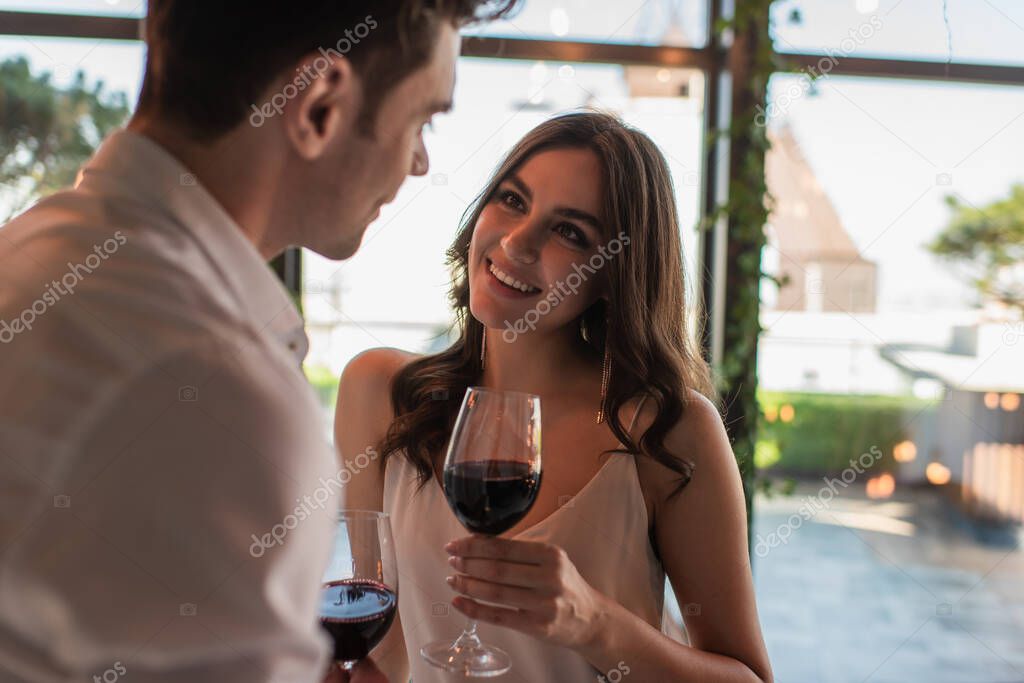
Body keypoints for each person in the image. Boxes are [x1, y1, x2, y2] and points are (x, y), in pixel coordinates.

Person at [0, 2, 519, 682]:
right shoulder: (217, 388)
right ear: (318, 106)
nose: (421, 161)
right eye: (422, 118)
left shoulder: (40, 250)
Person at [336, 111, 775, 682]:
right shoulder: (380, 392)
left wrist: (594, 624)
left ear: (614, 276)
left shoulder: (667, 428)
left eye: (571, 232)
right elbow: (387, 639)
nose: (517, 243)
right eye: (513, 200)